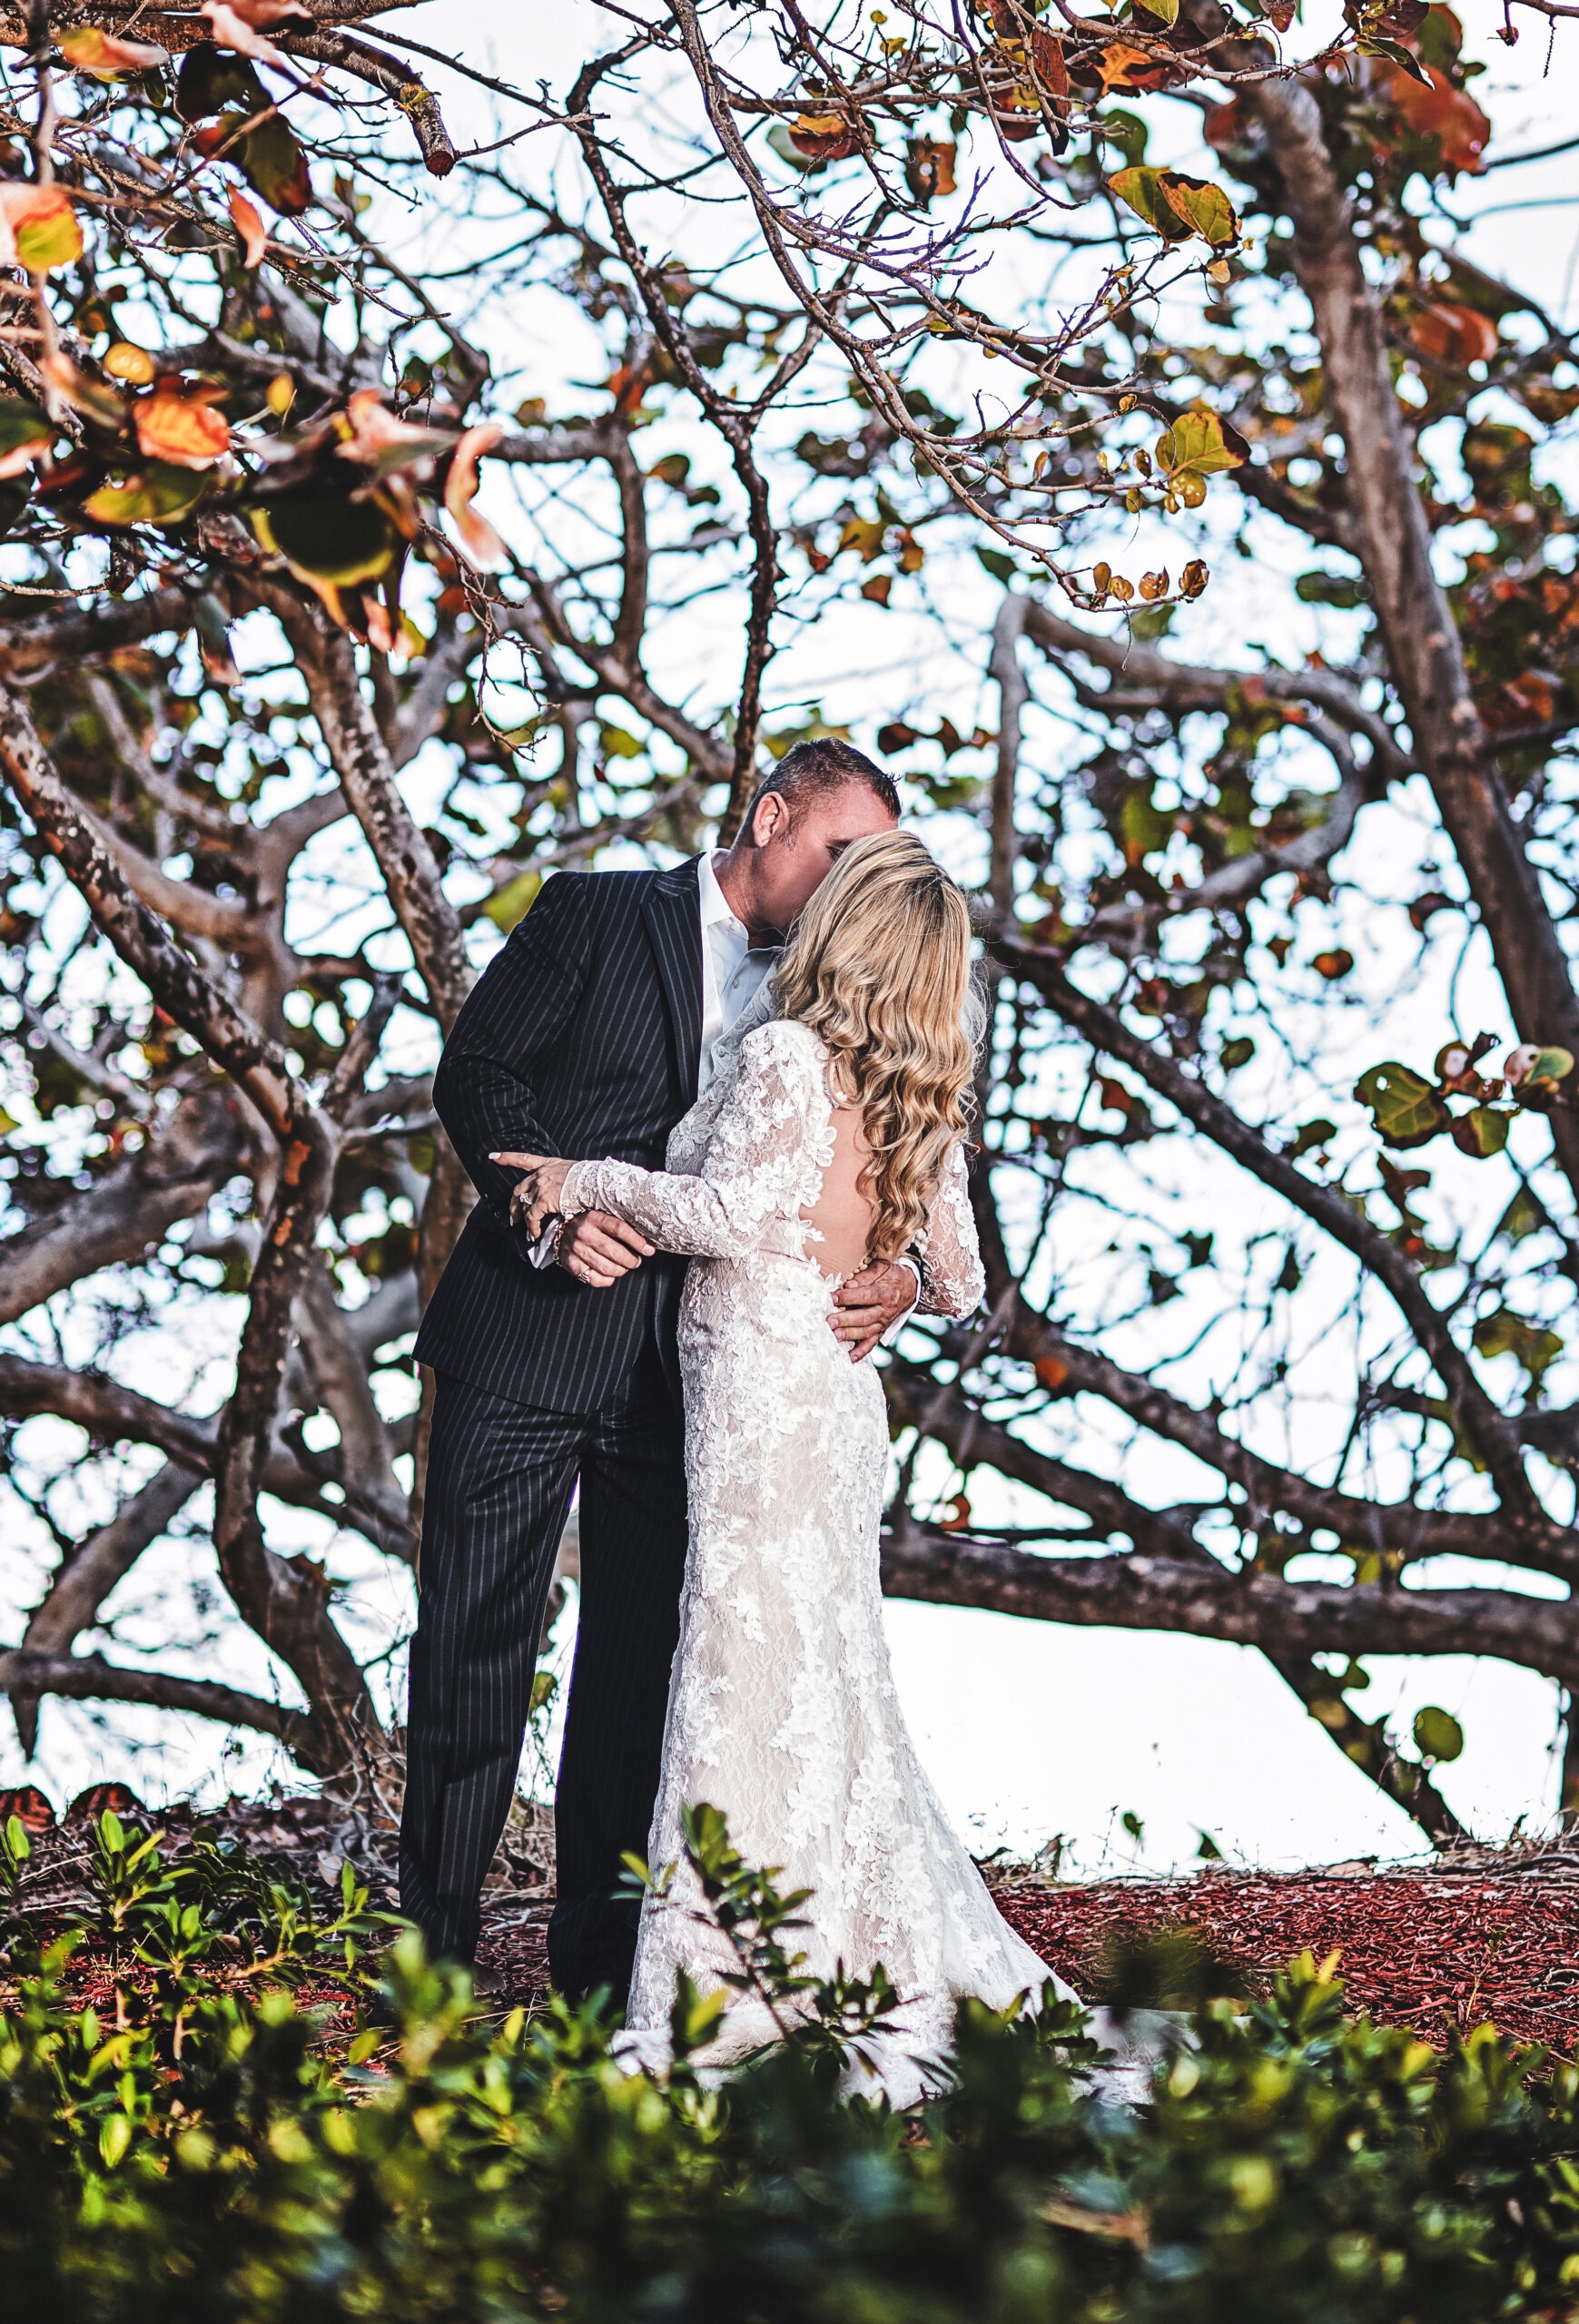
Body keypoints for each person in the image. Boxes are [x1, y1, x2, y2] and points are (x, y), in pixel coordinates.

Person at [494, 832, 1073, 2100]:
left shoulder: (785, 1055)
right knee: (824, 1670)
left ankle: (734, 1973)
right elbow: (966, 1278)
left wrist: (584, 1177)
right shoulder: (921, 1093)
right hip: (839, 1403)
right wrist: (901, 1267)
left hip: (760, 1400)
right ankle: (827, 1935)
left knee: (735, 1668)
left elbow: (730, 1218)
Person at [401, 740, 921, 2000]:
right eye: (843, 851)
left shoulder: (845, 990)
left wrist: (898, 1271)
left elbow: (894, 1155)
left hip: (693, 1385)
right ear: (769, 815)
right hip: (521, 1336)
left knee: (635, 1688)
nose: (857, 883)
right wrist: (547, 1210)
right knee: (473, 1653)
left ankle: (590, 1991)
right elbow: (477, 1074)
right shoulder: (593, 908)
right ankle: (425, 1973)